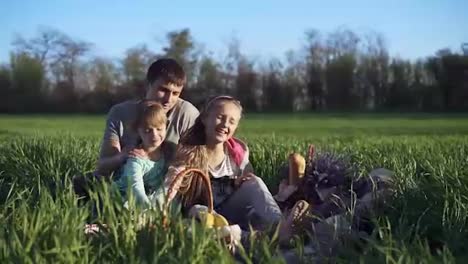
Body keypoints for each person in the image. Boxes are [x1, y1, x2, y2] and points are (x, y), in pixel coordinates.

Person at [161, 95, 284, 243]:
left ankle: (282, 226)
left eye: (232, 121)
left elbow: (249, 190)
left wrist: (240, 182)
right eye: (220, 117)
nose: (225, 124)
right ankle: (247, 237)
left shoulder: (237, 153)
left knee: (254, 182)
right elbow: (171, 189)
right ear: (205, 118)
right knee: (201, 213)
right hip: (202, 215)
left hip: (231, 209)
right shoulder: (189, 152)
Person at [73, 58, 199, 198]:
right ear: (148, 85)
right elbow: (103, 166)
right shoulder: (120, 113)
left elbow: (192, 164)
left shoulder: (187, 114)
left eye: (175, 93)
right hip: (122, 183)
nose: (169, 99)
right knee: (76, 185)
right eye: (163, 90)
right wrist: (122, 157)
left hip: (165, 185)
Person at [113, 101, 170, 209]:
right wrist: (151, 211)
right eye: (148, 130)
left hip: (147, 200)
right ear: (138, 131)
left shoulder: (166, 153)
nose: (154, 135)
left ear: (166, 127)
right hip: (125, 199)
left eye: (159, 129)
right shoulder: (136, 159)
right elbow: (136, 189)